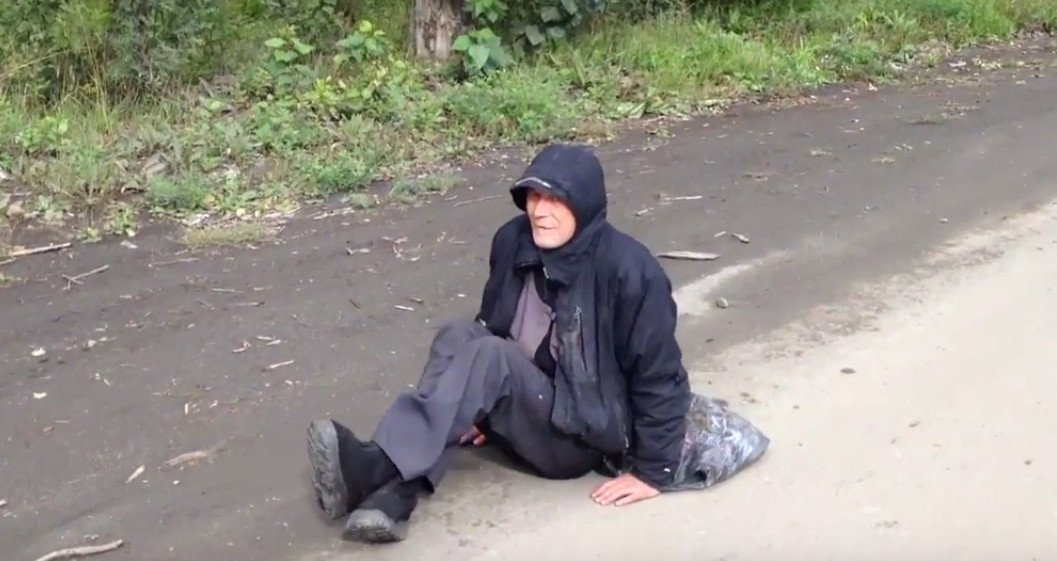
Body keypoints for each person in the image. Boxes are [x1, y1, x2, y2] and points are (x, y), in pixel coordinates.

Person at [306, 143, 770, 544]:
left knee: (488, 355)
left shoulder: (630, 271)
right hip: (527, 406)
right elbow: (491, 324)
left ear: (584, 205)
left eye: (556, 199)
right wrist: (476, 402)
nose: (540, 211)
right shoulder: (513, 241)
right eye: (534, 196)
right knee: (458, 335)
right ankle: (393, 496)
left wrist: (654, 471)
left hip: (577, 436)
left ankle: (377, 468)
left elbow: (660, 376)